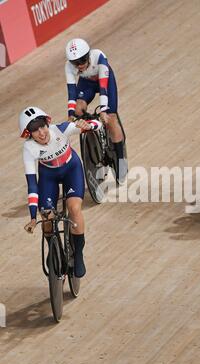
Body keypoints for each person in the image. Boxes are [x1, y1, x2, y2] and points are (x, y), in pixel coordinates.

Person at [20, 106, 103, 277]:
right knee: (47, 216)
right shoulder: (29, 148)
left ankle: (78, 253)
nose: (42, 133)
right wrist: (33, 216)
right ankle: (53, 247)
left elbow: (98, 124)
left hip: (71, 170)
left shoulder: (60, 129)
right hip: (48, 177)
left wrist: (87, 126)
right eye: (35, 131)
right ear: (28, 134)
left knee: (74, 209)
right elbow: (32, 184)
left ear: (47, 123)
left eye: (42, 127)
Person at [65, 38, 127, 183]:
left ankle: (121, 161)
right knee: (78, 110)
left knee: (111, 119)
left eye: (82, 61)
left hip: (105, 81)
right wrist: (70, 113)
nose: (79, 66)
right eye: (75, 63)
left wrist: (104, 110)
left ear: (88, 56)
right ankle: (95, 139)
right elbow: (71, 92)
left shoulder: (98, 56)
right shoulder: (68, 66)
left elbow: (104, 88)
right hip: (87, 84)